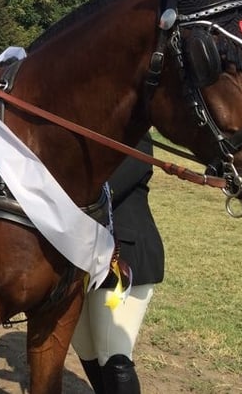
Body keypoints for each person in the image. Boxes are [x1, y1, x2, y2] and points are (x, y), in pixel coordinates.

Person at [71, 134, 164, 393]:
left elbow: (104, 191)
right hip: (83, 260)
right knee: (86, 348)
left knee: (113, 357)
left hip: (125, 258)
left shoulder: (135, 139)